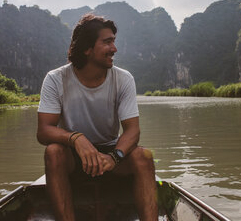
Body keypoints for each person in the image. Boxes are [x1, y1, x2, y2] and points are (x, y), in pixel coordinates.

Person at [37, 14, 158, 221]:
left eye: (114, 42)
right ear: (87, 48)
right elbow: (44, 131)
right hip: (75, 158)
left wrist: (115, 156)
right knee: (54, 152)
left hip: (111, 156)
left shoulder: (123, 79)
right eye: (107, 42)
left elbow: (132, 130)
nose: (114, 49)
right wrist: (75, 138)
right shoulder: (56, 79)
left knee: (143, 157)